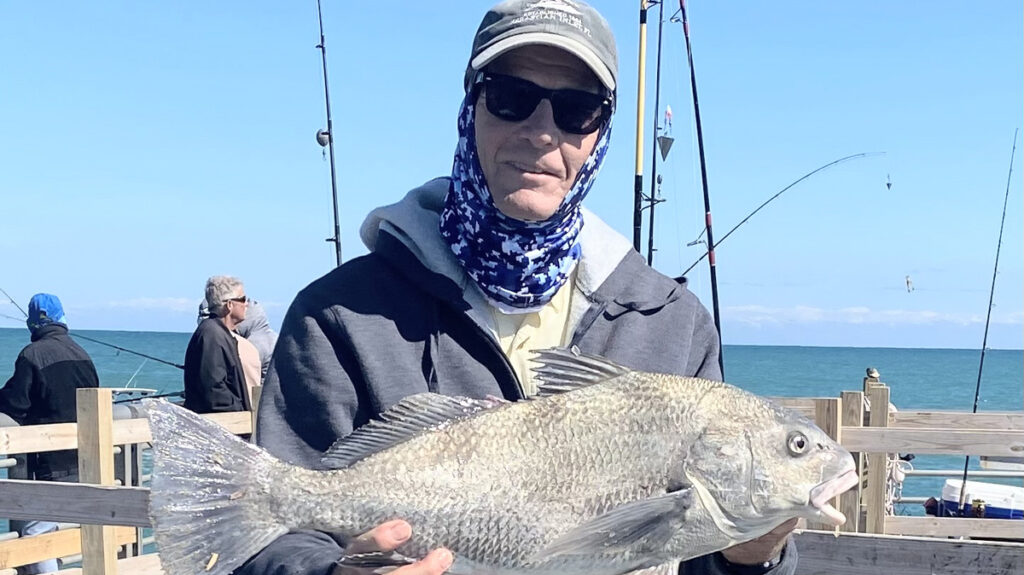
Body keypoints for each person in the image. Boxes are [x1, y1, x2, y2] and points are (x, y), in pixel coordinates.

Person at [240, 1, 797, 574]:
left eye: (577, 110)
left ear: (600, 133)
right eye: (511, 98)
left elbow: (694, 561)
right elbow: (267, 542)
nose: (540, 132)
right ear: (471, 106)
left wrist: (751, 555)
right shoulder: (338, 316)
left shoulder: (673, 324)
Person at [0, 293, 99, 575]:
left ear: (33, 322)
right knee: (52, 531)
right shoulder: (82, 354)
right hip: (83, 459)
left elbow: (16, 403)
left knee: (35, 536)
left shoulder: (31, 355)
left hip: (49, 463)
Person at [183, 276, 251, 413]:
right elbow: (213, 388)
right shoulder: (211, 335)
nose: (247, 304)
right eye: (243, 299)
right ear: (230, 305)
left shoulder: (219, 333)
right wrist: (238, 409)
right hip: (220, 426)